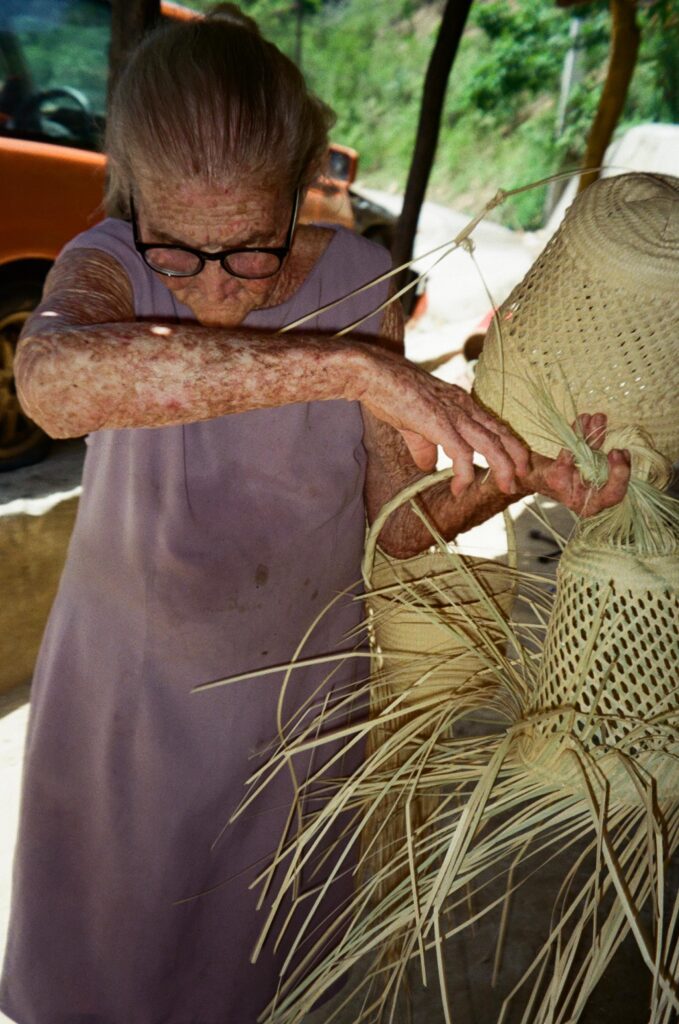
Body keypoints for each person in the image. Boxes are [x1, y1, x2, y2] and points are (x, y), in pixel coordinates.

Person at [0, 7, 629, 1023]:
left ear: (301, 186)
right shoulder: (108, 263)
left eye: (249, 248)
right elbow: (51, 384)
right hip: (128, 700)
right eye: (179, 248)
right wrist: (348, 367)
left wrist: (517, 469)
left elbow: (400, 528)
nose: (211, 288)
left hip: (294, 716)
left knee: (259, 970)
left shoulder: (358, 283)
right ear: (132, 198)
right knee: (109, 965)